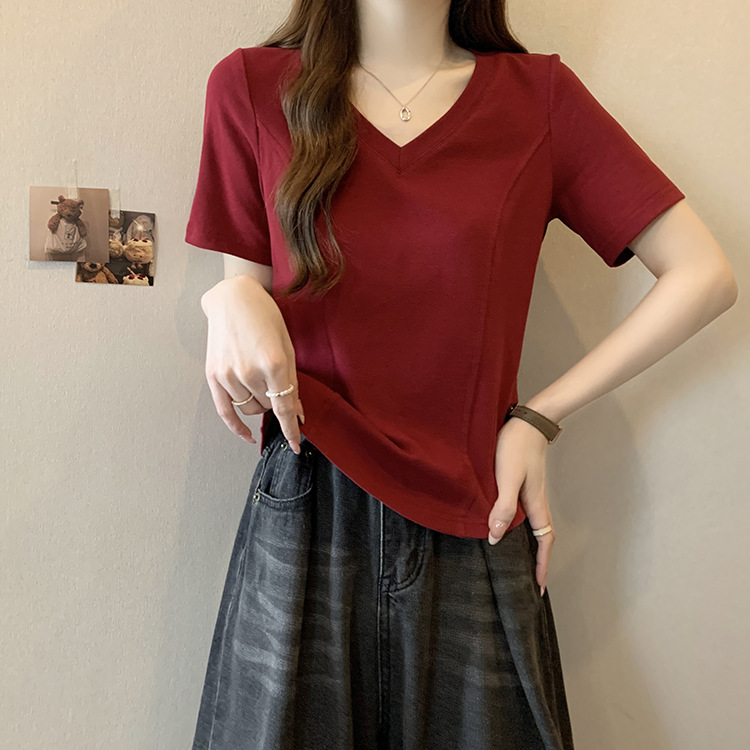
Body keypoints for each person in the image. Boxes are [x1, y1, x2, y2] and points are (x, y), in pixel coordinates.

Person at [183, 1, 738, 748]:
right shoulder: (252, 87)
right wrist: (225, 298)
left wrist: (539, 417)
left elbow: (703, 275)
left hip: (475, 507)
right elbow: (252, 332)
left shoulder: (537, 100)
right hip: (310, 501)